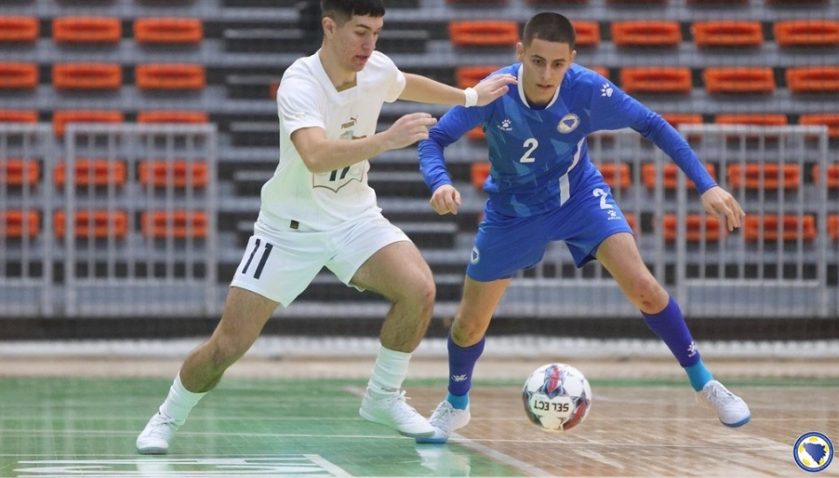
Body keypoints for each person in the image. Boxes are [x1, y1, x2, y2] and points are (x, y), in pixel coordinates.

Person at [135, 0, 515, 454]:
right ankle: (167, 416)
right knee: (227, 346)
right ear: (329, 27)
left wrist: (469, 96)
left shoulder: (376, 66)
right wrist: (388, 140)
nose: (369, 43)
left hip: (355, 217)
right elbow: (314, 154)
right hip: (288, 229)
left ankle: (383, 398)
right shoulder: (300, 83)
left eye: (376, 31)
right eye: (359, 31)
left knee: (420, 289)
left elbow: (403, 83)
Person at [416, 12, 751, 443]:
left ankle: (707, 385)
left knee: (643, 286)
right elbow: (434, 140)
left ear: (571, 60)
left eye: (557, 64)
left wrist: (707, 185)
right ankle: (456, 405)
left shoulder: (587, 90)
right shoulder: (493, 91)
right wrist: (440, 183)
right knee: (468, 324)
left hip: (578, 199)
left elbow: (652, 123)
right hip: (513, 212)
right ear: (520, 53)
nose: (546, 74)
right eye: (537, 61)